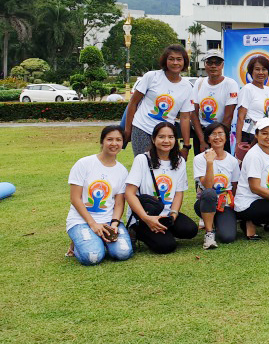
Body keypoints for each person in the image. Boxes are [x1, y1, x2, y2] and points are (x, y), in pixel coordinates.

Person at [124, 121, 198, 253]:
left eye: (170, 137)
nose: (166, 141)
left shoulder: (179, 161)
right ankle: (137, 230)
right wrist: (147, 219)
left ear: (175, 140)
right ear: (153, 139)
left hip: (166, 213)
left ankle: (162, 229)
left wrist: (173, 215)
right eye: (161, 137)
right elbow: (129, 193)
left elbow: (179, 193)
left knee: (190, 230)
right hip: (145, 214)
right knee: (166, 246)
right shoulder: (142, 159)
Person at [65, 125, 132, 265]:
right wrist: (93, 224)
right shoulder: (84, 164)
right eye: (110, 139)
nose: (114, 144)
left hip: (108, 221)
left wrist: (114, 224)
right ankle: (77, 244)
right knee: (92, 256)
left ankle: (97, 240)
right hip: (82, 221)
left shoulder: (122, 171)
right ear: (102, 142)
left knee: (123, 252)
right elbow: (75, 198)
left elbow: (119, 203)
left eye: (118, 140)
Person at [124, 44, 193, 157]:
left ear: (184, 62)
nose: (175, 63)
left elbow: (185, 117)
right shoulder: (152, 76)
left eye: (179, 59)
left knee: (165, 168)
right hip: (142, 128)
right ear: (165, 61)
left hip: (166, 133)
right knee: (145, 166)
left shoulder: (187, 87)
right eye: (171, 59)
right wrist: (128, 130)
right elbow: (133, 103)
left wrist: (186, 146)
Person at [192, 122, 240, 249]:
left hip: (225, 204)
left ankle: (217, 221)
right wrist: (210, 162)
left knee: (227, 237)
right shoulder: (199, 158)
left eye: (220, 134)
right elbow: (208, 186)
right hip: (206, 202)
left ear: (226, 137)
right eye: (213, 134)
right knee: (209, 193)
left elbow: (234, 186)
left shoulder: (232, 161)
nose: (217, 137)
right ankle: (209, 234)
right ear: (208, 138)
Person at [190, 50, 239, 154]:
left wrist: (218, 138)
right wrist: (203, 140)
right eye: (210, 63)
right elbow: (193, 113)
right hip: (201, 133)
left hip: (221, 134)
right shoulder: (199, 83)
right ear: (205, 64)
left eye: (217, 63)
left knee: (222, 167)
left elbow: (228, 117)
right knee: (202, 167)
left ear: (222, 65)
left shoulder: (230, 84)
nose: (213, 66)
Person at [234, 55, 269, 144]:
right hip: (249, 134)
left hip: (263, 134)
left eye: (264, 69)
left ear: (268, 72)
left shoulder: (268, 90)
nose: (261, 72)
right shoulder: (247, 89)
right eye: (257, 69)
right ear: (251, 72)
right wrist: (238, 143)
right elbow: (240, 117)